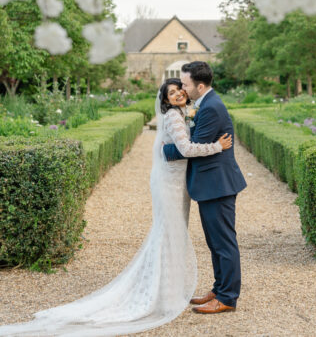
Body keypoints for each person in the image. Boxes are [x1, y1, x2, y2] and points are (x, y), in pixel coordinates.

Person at [0, 78, 232, 337]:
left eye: (179, 89)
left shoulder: (182, 113)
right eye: (172, 93)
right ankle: (162, 295)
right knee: (168, 234)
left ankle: (168, 290)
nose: (178, 94)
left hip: (178, 182)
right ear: (165, 100)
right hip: (171, 184)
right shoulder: (174, 117)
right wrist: (217, 146)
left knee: (171, 234)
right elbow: (185, 148)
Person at [163, 61, 247, 314]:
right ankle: (219, 288)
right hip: (210, 184)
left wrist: (164, 150)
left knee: (223, 243)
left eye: (186, 84)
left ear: (199, 85)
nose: (183, 89)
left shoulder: (211, 108)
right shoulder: (204, 104)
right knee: (215, 242)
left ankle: (228, 297)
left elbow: (192, 147)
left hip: (217, 185)